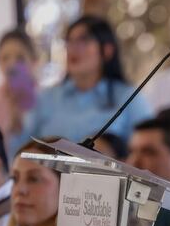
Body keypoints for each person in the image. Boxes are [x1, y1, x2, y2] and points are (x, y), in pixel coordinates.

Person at [24, 15, 152, 146]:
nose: (73, 48)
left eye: (84, 40)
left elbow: (148, 150)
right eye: (69, 41)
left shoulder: (130, 98)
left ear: (107, 50)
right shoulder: (45, 98)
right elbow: (21, 150)